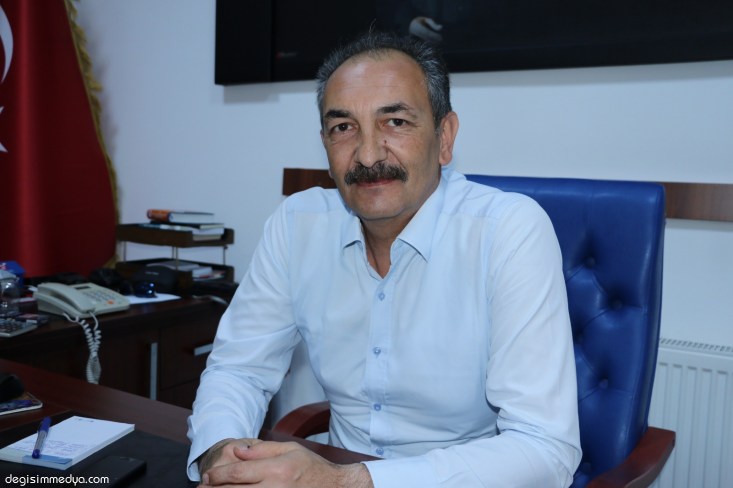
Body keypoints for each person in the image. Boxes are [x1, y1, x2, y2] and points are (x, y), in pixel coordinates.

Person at [187, 31, 581, 487]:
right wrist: (223, 455)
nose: (368, 154)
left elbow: (544, 447)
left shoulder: (508, 231)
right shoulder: (297, 224)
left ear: (445, 137)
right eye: (343, 127)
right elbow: (238, 369)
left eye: (395, 121)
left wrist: (347, 482)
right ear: (325, 143)